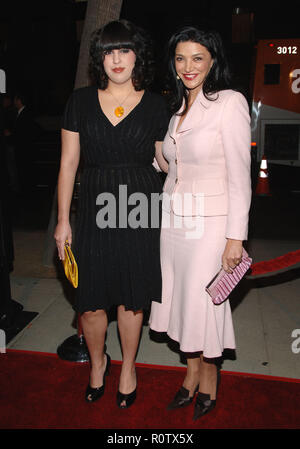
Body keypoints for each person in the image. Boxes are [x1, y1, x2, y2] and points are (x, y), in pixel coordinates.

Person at [54, 20, 169, 409]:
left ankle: (129, 367)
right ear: (98, 58)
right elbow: (69, 164)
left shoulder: (156, 104)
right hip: (94, 207)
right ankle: (99, 361)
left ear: (138, 55)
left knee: (132, 298)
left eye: (124, 49)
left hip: (140, 207)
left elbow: (164, 161)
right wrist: (63, 221)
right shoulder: (80, 102)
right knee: (90, 300)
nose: (116, 59)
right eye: (107, 51)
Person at [149, 26, 252, 420]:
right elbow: (173, 166)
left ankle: (209, 381)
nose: (188, 66)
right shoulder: (176, 110)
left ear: (212, 62)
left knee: (205, 305)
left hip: (211, 225)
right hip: (173, 221)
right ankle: (190, 375)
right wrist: (152, 149)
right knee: (181, 303)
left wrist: (234, 238)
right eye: (180, 58)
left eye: (197, 58)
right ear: (173, 66)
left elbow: (239, 176)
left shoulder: (229, 102)